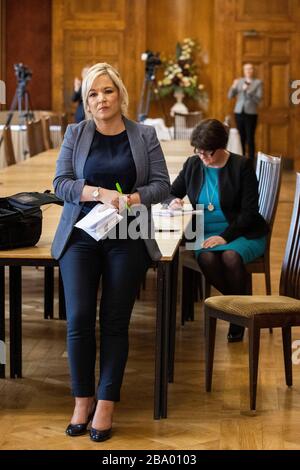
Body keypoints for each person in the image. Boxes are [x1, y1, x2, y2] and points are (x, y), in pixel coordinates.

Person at [51, 63, 170, 442]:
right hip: (82, 235)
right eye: (92, 93)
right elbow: (60, 184)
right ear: (86, 100)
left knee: (115, 321)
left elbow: (162, 186)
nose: (100, 99)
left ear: (120, 93)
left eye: (107, 91)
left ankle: (106, 402)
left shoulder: (144, 134)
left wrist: (132, 199)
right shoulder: (76, 132)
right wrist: (99, 193)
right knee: (80, 317)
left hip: (129, 235)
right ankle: (82, 399)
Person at [165, 118, 268, 342]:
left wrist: (224, 237)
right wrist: (173, 201)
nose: (202, 157)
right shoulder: (193, 164)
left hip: (242, 231)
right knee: (208, 259)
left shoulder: (242, 166)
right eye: (199, 151)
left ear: (221, 147)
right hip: (204, 231)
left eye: (207, 153)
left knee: (231, 257)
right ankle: (241, 307)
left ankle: (236, 319)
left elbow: (250, 213)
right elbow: (172, 192)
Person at [228, 63, 263, 160]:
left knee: (250, 138)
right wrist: (233, 86)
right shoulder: (239, 82)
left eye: (250, 69)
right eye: (246, 69)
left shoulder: (258, 83)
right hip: (239, 112)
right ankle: (242, 159)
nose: (248, 71)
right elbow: (230, 96)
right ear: (244, 71)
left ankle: (251, 160)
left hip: (251, 113)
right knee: (241, 137)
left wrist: (248, 91)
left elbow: (258, 99)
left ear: (253, 70)